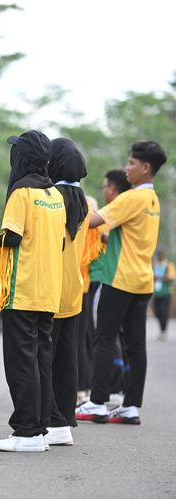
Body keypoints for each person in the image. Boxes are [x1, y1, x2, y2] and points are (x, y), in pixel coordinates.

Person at [0, 130, 65, 452]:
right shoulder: (55, 195)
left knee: (21, 364)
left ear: (22, 158)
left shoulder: (21, 193)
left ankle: (27, 433)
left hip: (22, 291)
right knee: (41, 362)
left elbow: (12, 239)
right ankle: (40, 430)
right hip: (49, 293)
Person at [77, 141, 167, 425]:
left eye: (131, 163)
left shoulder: (131, 198)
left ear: (145, 167)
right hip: (142, 281)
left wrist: (71, 203)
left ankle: (97, 403)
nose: (127, 168)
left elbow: (93, 221)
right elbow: (125, 236)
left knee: (104, 339)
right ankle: (131, 406)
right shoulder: (152, 200)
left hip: (119, 279)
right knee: (135, 346)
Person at [45, 137, 89, 447]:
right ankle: (63, 422)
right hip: (74, 290)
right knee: (66, 359)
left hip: (49, 289)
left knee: (43, 359)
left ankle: (50, 419)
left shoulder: (51, 200)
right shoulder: (85, 202)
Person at [78, 170, 131, 404]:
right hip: (96, 281)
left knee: (103, 336)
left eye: (105, 186)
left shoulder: (107, 220)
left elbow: (104, 236)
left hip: (101, 281)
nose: (103, 190)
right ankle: (108, 385)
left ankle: (112, 386)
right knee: (101, 336)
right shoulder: (112, 216)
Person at [151, 249, 174, 341]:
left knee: (163, 312)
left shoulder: (168, 265)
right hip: (156, 293)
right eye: (158, 255)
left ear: (163, 256)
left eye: (160, 255)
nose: (159, 257)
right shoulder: (154, 265)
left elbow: (171, 278)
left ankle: (163, 331)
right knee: (157, 313)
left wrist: (160, 277)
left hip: (166, 293)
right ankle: (161, 330)